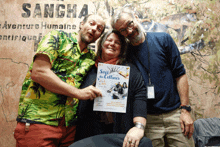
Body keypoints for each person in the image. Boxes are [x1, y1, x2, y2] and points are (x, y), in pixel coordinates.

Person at [14, 14, 105, 147]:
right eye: (91, 23)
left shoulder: (91, 57)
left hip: (69, 127)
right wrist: (78, 93)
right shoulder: (58, 37)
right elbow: (39, 72)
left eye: (99, 29)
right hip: (39, 121)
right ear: (81, 24)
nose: (94, 29)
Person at [111, 7, 195, 147]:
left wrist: (185, 110)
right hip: (147, 119)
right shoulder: (125, 53)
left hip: (175, 114)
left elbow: (180, 75)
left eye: (129, 24)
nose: (129, 31)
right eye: (123, 30)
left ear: (136, 18)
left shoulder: (163, 39)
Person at [74, 29, 149, 147]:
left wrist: (139, 126)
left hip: (120, 130)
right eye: (109, 40)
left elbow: (139, 96)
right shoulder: (89, 68)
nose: (112, 44)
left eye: (117, 42)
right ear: (102, 44)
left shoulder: (129, 70)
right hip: (90, 132)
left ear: (122, 48)